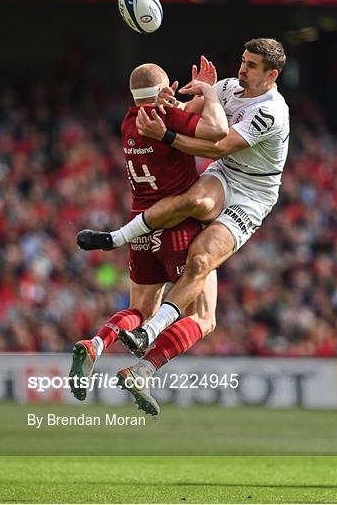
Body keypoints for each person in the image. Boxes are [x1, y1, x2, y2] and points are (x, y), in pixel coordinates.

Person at [78, 38, 290, 360]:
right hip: (225, 173)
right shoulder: (229, 87)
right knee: (195, 203)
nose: (242, 69)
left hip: (254, 192)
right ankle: (115, 237)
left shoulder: (270, 112)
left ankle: (147, 333)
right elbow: (184, 112)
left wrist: (166, 134)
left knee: (201, 260)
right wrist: (169, 103)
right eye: (243, 61)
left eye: (252, 66)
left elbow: (215, 145)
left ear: (272, 75)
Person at [69, 61, 228, 415]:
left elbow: (175, 113)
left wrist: (183, 96)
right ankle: (144, 368)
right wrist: (210, 93)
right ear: (160, 93)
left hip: (141, 226)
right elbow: (217, 130)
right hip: (177, 225)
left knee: (140, 310)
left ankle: (97, 343)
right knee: (204, 317)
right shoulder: (165, 120)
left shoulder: (130, 121)